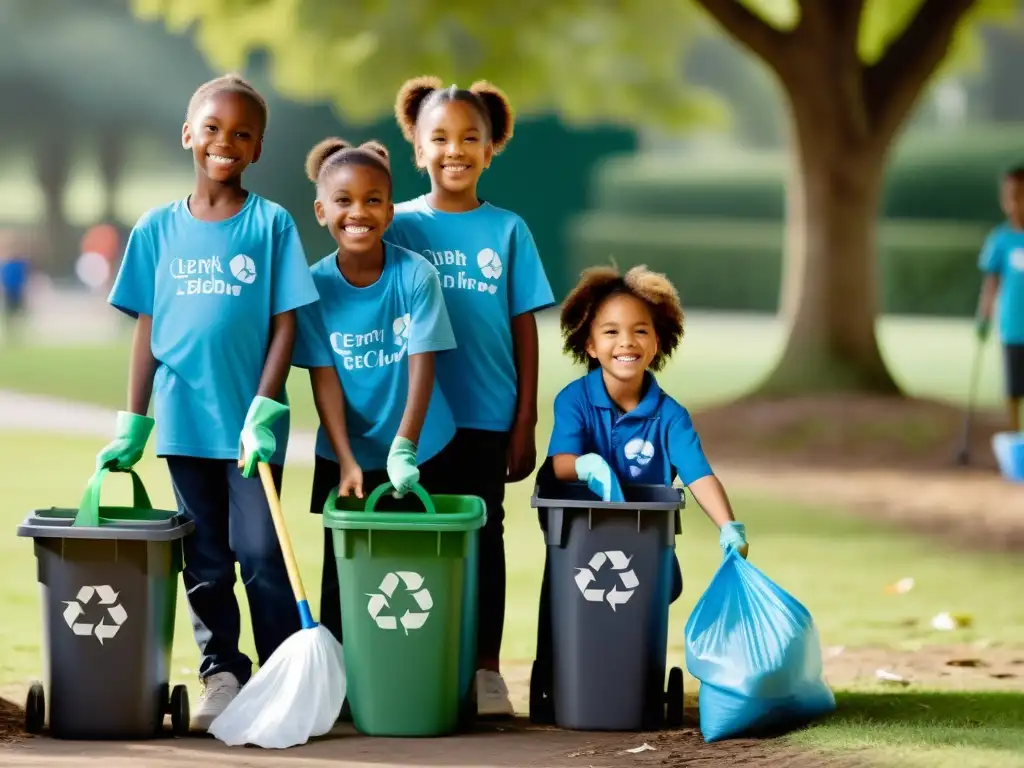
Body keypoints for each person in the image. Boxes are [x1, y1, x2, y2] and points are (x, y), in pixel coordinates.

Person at [96, 73, 320, 731]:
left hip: (247, 430)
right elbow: (147, 328)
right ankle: (222, 673)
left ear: (257, 148)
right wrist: (133, 421)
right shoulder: (156, 228)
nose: (225, 142)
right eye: (213, 129)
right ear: (189, 134)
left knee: (260, 551)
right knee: (207, 559)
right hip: (183, 423)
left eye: (241, 134)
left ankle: (284, 674)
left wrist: (266, 406)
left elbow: (286, 321)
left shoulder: (271, 223)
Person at [385, 76, 556, 717]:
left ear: (491, 149)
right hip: (411, 422)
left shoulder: (508, 230)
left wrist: (524, 417)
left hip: (487, 413)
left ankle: (486, 669)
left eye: (469, 138)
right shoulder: (395, 222)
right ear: (418, 148)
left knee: (485, 537)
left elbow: (523, 328)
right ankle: (412, 659)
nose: (454, 149)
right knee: (410, 537)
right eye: (440, 137)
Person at [291, 136, 459, 646]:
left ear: (390, 211)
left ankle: (420, 672)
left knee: (419, 571)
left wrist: (404, 447)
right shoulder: (312, 287)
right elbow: (324, 381)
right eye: (343, 201)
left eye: (371, 201)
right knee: (345, 574)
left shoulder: (416, 275)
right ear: (322, 211)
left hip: (422, 447)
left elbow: (421, 366)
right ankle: (342, 683)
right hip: (348, 454)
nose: (357, 212)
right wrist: (346, 459)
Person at [546, 264, 749, 557]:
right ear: (590, 345)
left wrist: (728, 525)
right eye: (611, 331)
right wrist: (588, 466)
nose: (626, 341)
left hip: (648, 546)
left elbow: (698, 474)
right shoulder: (574, 400)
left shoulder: (671, 417)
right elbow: (561, 464)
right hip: (582, 541)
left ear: (657, 343)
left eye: (640, 330)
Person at [976, 164, 1024, 433]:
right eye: (1010, 196)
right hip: (1013, 328)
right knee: (1013, 390)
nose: (1015, 202)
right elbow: (991, 284)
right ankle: (1018, 442)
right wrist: (983, 317)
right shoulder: (1000, 240)